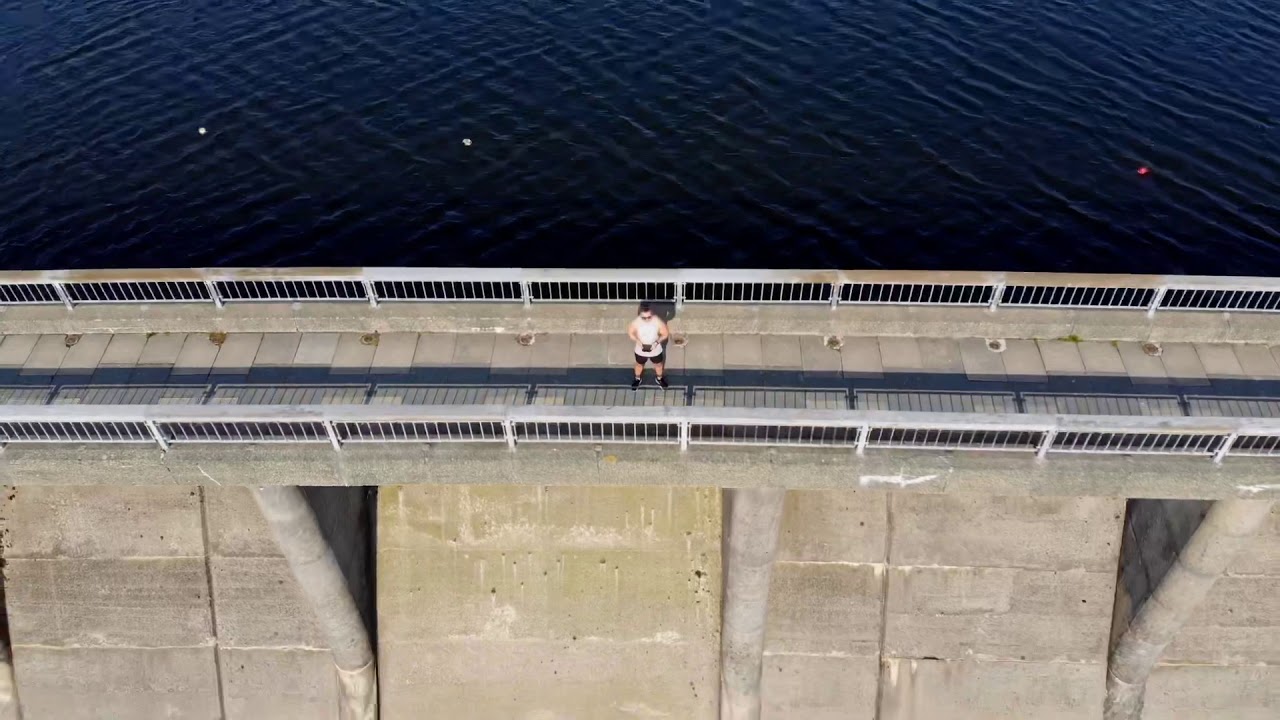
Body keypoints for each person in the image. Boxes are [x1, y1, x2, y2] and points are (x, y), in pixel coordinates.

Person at [628, 303, 669, 389]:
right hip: (640, 349)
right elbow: (631, 333)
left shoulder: (658, 321)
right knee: (639, 364)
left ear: (652, 314)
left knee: (658, 365)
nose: (647, 319)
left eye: (649, 317)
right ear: (640, 315)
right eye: (644, 318)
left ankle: (659, 378)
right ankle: (637, 379)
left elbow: (665, 334)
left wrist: (656, 343)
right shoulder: (636, 322)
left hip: (655, 348)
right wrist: (638, 342)